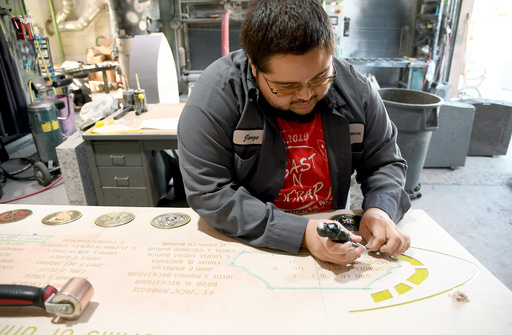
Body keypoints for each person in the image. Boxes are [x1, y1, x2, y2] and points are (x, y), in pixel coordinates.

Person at [178, 0, 411, 265]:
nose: (306, 94)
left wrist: (380, 208)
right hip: (252, 241)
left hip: (334, 234)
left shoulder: (357, 90)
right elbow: (209, 192)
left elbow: (385, 161)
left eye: (320, 77)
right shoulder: (216, 96)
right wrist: (301, 232)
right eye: (286, 86)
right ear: (254, 67)